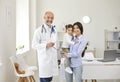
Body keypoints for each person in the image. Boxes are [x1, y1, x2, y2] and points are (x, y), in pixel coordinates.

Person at [32, 11, 58, 82]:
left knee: (50, 79)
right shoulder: (38, 30)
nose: (50, 19)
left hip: (52, 60)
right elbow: (34, 45)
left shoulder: (54, 30)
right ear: (44, 18)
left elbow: (55, 44)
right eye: (48, 17)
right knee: (44, 79)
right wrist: (46, 45)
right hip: (44, 60)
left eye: (52, 18)